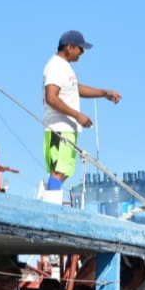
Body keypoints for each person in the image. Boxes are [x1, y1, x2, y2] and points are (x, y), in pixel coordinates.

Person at [41, 30, 120, 194]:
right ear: (70, 47)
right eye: (80, 48)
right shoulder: (55, 66)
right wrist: (77, 115)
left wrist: (104, 93)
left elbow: (76, 88)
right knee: (58, 171)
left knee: (65, 170)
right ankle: (52, 206)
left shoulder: (65, 67)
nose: (82, 52)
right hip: (59, 128)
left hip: (68, 129)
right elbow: (51, 97)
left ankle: (53, 200)